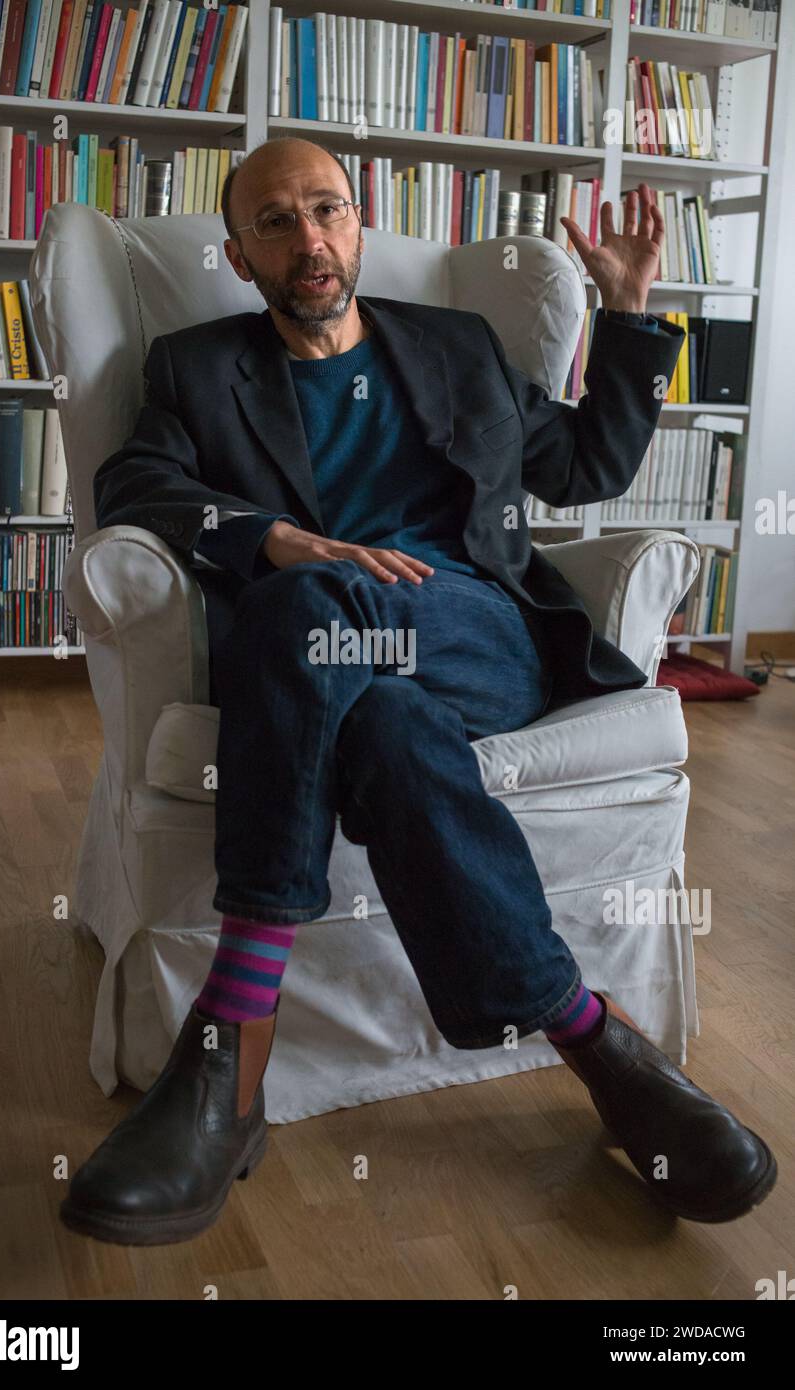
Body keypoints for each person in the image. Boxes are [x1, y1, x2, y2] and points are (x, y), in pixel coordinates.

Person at [60, 137, 776, 1247]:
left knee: (307, 611)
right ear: (240, 255)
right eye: (275, 223)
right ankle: (594, 1036)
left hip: (476, 636)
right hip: (338, 674)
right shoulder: (197, 367)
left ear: (358, 222)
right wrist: (276, 536)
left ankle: (231, 1040)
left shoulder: (458, 345)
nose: (309, 239)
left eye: (326, 210)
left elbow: (585, 468)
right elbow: (137, 485)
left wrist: (631, 317)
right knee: (378, 718)